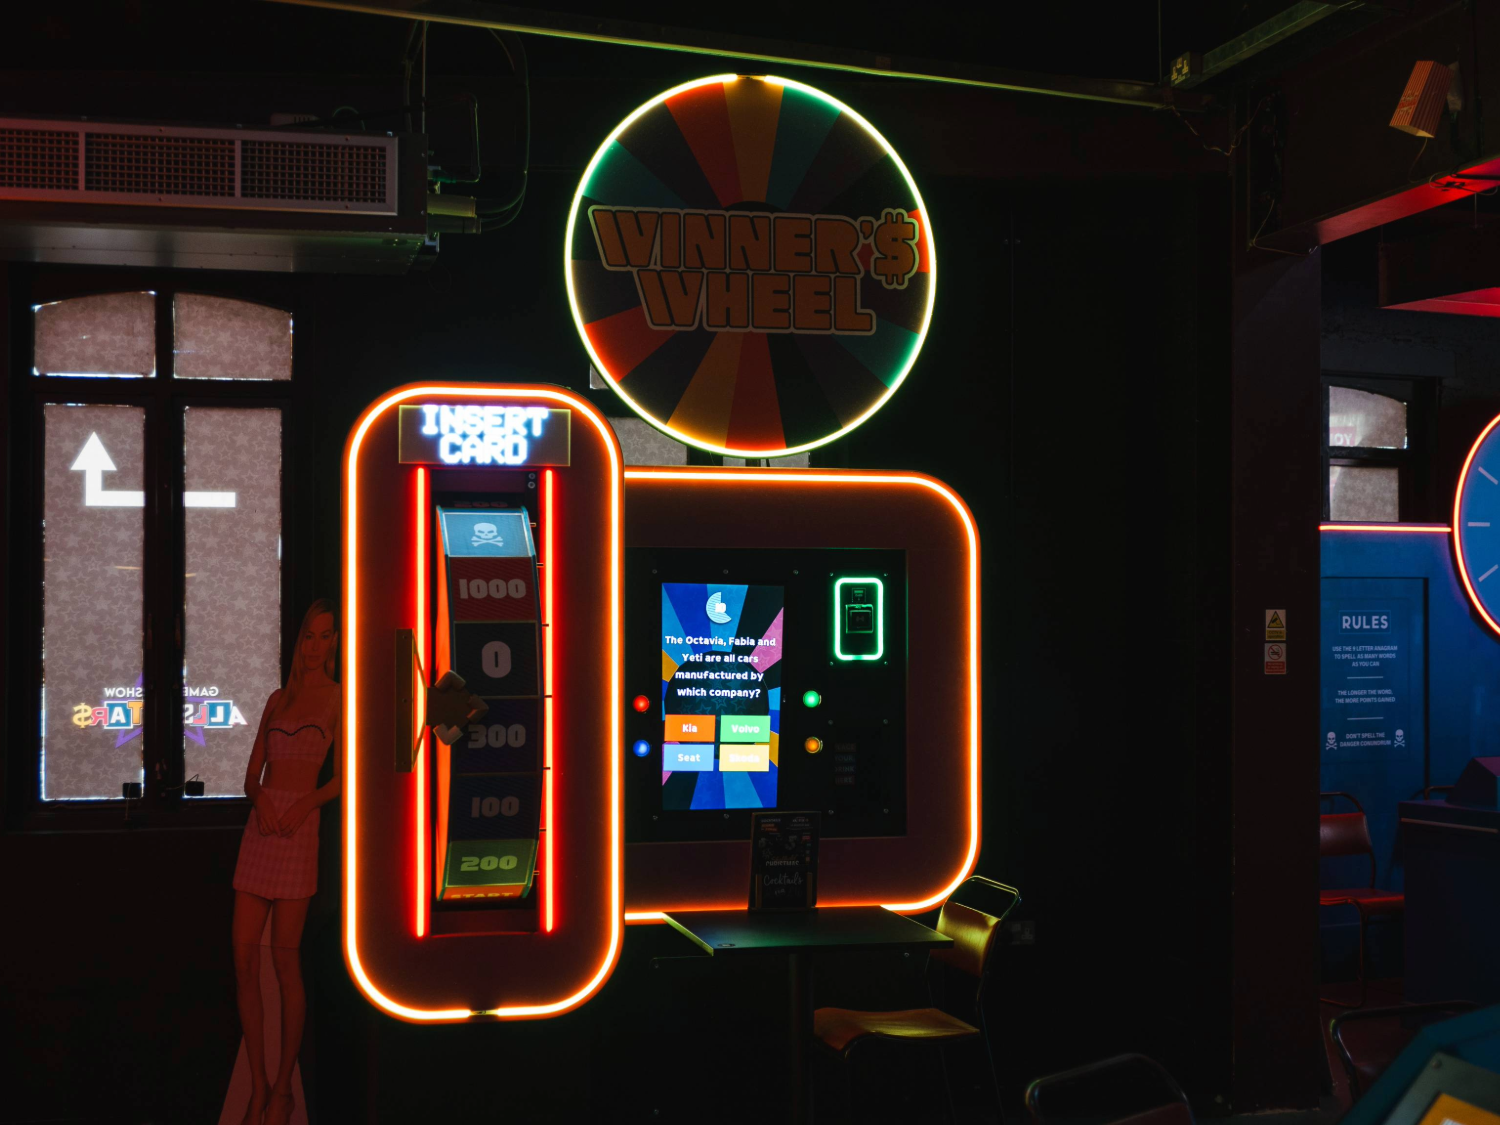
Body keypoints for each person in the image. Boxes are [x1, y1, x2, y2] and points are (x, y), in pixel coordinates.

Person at [231, 599, 341, 1125]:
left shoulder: (340, 701)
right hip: (261, 832)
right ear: (299, 643)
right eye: (309, 637)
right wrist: (263, 803)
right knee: (243, 957)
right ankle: (258, 1083)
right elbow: (251, 776)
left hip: (300, 832)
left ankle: (283, 1088)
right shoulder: (278, 699)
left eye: (325, 636)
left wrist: (304, 804)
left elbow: (345, 778)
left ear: (336, 643)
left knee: (284, 961)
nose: (315, 645)